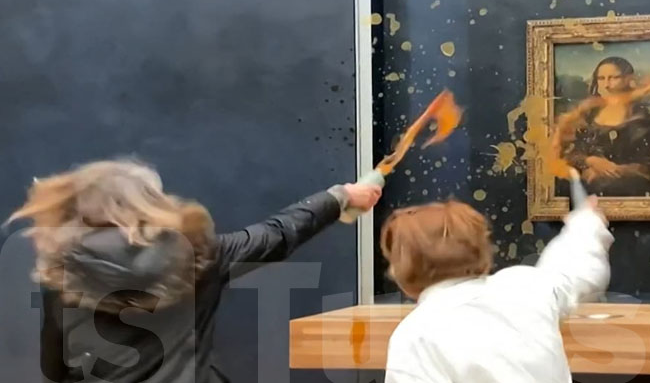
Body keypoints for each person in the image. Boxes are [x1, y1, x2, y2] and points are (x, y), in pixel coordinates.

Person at [6, 158, 381, 383]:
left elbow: (54, 367)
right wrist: (341, 197)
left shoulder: (62, 272)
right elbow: (278, 234)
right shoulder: (202, 255)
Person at [380, 196, 613, 383]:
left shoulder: (415, 335)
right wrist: (587, 223)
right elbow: (575, 268)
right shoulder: (525, 288)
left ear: (402, 272)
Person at [564, 56, 650, 197]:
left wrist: (617, 171)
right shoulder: (590, 115)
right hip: (589, 184)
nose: (606, 84)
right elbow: (573, 153)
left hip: (630, 187)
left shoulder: (642, 118)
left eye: (613, 77)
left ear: (628, 79)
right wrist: (591, 161)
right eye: (601, 78)